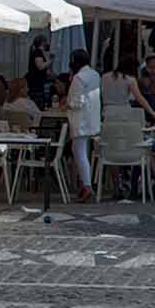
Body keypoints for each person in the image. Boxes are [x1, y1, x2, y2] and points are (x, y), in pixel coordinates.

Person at [67, 49, 103, 203]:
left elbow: (77, 102)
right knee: (83, 153)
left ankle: (87, 186)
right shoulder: (95, 75)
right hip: (92, 119)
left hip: (80, 121)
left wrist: (67, 103)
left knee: (79, 154)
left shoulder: (79, 78)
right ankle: (85, 185)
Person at [102, 57, 155, 121]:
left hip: (107, 112)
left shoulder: (105, 77)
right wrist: (153, 113)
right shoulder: (130, 79)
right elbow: (139, 98)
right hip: (124, 113)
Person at [26, 36, 54, 109]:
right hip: (36, 83)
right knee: (38, 102)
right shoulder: (37, 52)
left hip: (37, 83)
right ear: (42, 43)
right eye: (46, 42)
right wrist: (50, 61)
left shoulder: (37, 52)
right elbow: (40, 66)